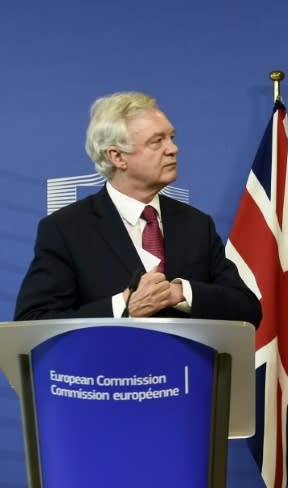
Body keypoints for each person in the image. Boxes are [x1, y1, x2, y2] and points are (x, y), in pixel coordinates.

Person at [14, 92, 262, 327]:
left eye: (171, 137)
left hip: (185, 370)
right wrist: (124, 307)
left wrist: (179, 292)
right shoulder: (66, 228)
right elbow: (34, 321)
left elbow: (247, 309)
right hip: (107, 370)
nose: (173, 149)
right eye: (157, 142)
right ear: (117, 157)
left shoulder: (196, 225)